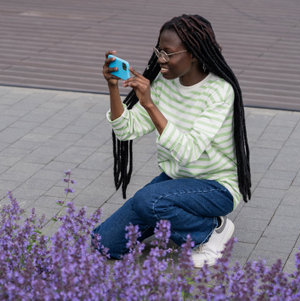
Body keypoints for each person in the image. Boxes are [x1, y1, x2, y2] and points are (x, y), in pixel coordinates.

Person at [94, 14, 251, 268]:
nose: (160, 59)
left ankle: (212, 230)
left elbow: (188, 151)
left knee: (149, 201)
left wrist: (149, 104)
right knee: (104, 242)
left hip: (216, 186)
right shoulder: (162, 85)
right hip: (176, 182)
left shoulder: (220, 91)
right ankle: (168, 214)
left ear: (195, 53)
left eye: (168, 53)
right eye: (159, 50)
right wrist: (113, 87)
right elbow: (126, 130)